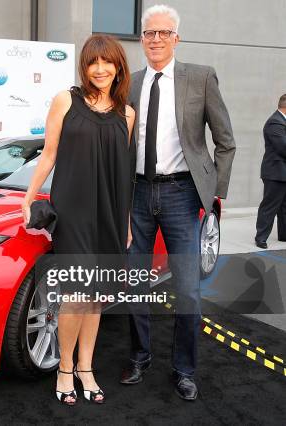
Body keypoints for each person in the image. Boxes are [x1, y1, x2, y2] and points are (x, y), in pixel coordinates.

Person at [122, 4, 236, 401]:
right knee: (134, 285)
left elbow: (226, 140)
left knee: (187, 291)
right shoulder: (130, 83)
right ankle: (139, 356)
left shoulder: (200, 78)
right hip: (136, 193)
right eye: (150, 33)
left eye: (164, 33)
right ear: (142, 39)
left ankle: (184, 369)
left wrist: (214, 190)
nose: (156, 40)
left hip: (182, 195)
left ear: (176, 38)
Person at [22, 34, 135, 406]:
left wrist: (128, 221)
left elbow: (125, 173)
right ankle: (65, 368)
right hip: (74, 211)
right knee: (75, 296)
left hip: (112, 214)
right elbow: (49, 154)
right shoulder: (65, 100)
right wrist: (28, 197)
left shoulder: (127, 113)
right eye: (92, 62)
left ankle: (87, 367)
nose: (100, 69)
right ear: (84, 67)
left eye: (107, 62)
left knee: (97, 297)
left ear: (118, 66)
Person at [255, 94, 286, 249]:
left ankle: (284, 235)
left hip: (282, 172)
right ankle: (260, 237)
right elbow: (283, 147)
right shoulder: (275, 122)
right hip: (275, 172)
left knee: (284, 206)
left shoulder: (282, 122)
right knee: (270, 206)